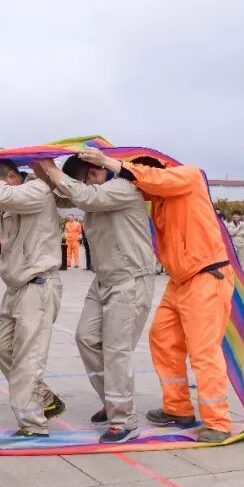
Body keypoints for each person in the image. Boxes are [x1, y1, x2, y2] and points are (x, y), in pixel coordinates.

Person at [76, 148, 233, 443]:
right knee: (163, 339)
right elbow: (109, 192)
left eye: (136, 172)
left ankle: (218, 422)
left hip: (207, 276)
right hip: (180, 280)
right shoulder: (159, 196)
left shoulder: (189, 176)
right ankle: (178, 408)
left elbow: (150, 179)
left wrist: (110, 163)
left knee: (203, 351)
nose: (134, 180)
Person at [34, 155, 156, 443]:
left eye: (87, 176)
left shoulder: (123, 188)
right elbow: (64, 196)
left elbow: (84, 196)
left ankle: (124, 421)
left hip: (130, 279)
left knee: (116, 350)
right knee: (86, 338)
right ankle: (112, 401)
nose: (86, 181)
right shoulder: (91, 192)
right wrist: (40, 170)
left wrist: (50, 167)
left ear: (98, 171)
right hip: (103, 279)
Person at [0, 148, 65, 440]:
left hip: (38, 286)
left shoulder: (36, 191)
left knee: (28, 358)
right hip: (16, 287)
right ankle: (45, 399)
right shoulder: (8, 196)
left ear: (11, 177)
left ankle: (33, 424)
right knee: (4, 350)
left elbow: (3, 197)